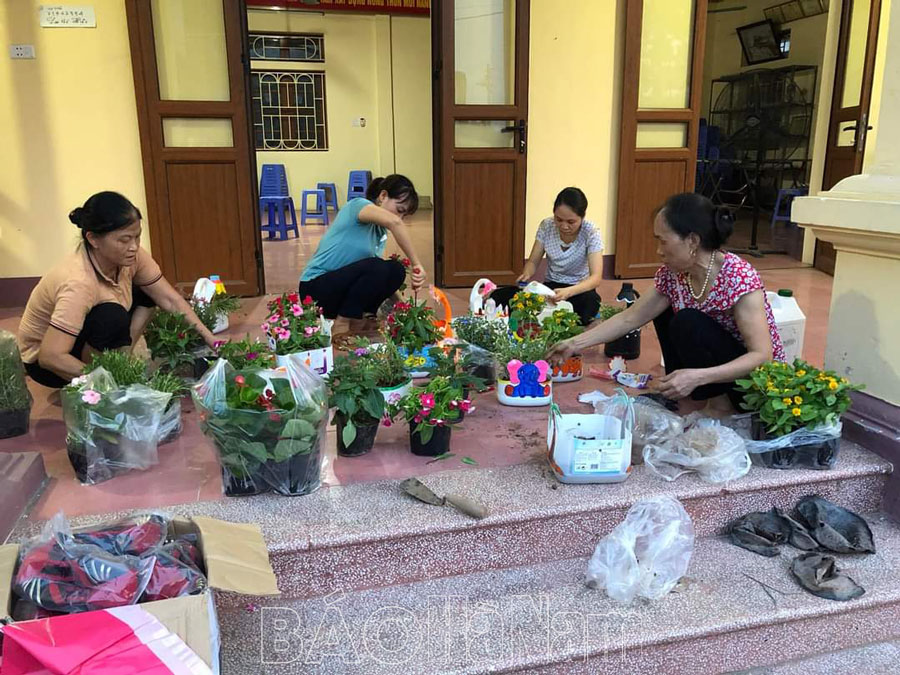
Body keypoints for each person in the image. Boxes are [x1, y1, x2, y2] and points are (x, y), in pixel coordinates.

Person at [550, 192, 785, 412]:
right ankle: (685, 396)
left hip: (749, 387)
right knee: (663, 309)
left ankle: (719, 406)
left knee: (688, 320)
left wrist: (697, 377)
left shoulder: (738, 276)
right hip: (705, 376)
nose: (658, 251)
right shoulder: (673, 274)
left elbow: (762, 356)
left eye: (663, 241)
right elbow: (629, 318)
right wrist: (574, 343)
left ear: (692, 241)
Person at [17, 192, 217, 389]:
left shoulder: (132, 257)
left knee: (147, 292)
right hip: (47, 365)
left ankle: (120, 361)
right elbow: (50, 357)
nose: (134, 247)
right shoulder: (78, 283)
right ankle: (102, 378)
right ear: (93, 239)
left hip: (78, 336)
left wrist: (212, 340)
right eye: (124, 240)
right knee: (111, 316)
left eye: (137, 237)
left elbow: (169, 299)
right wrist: (111, 384)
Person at [299, 174, 427, 342]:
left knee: (395, 270)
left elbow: (377, 278)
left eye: (404, 216)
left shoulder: (379, 231)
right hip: (315, 290)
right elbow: (395, 223)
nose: (400, 218)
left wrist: (406, 310)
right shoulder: (358, 205)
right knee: (377, 266)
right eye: (399, 210)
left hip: (339, 292)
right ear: (383, 196)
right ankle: (341, 325)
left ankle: (362, 318)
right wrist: (417, 264)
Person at [489, 187, 603, 325]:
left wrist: (568, 292)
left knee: (590, 303)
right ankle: (551, 317)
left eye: (571, 222)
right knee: (501, 296)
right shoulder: (547, 226)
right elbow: (533, 262)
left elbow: (595, 278)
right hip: (551, 289)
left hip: (577, 290)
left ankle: (547, 317)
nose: (564, 226)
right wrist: (527, 274)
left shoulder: (591, 232)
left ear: (582, 217)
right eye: (559, 219)